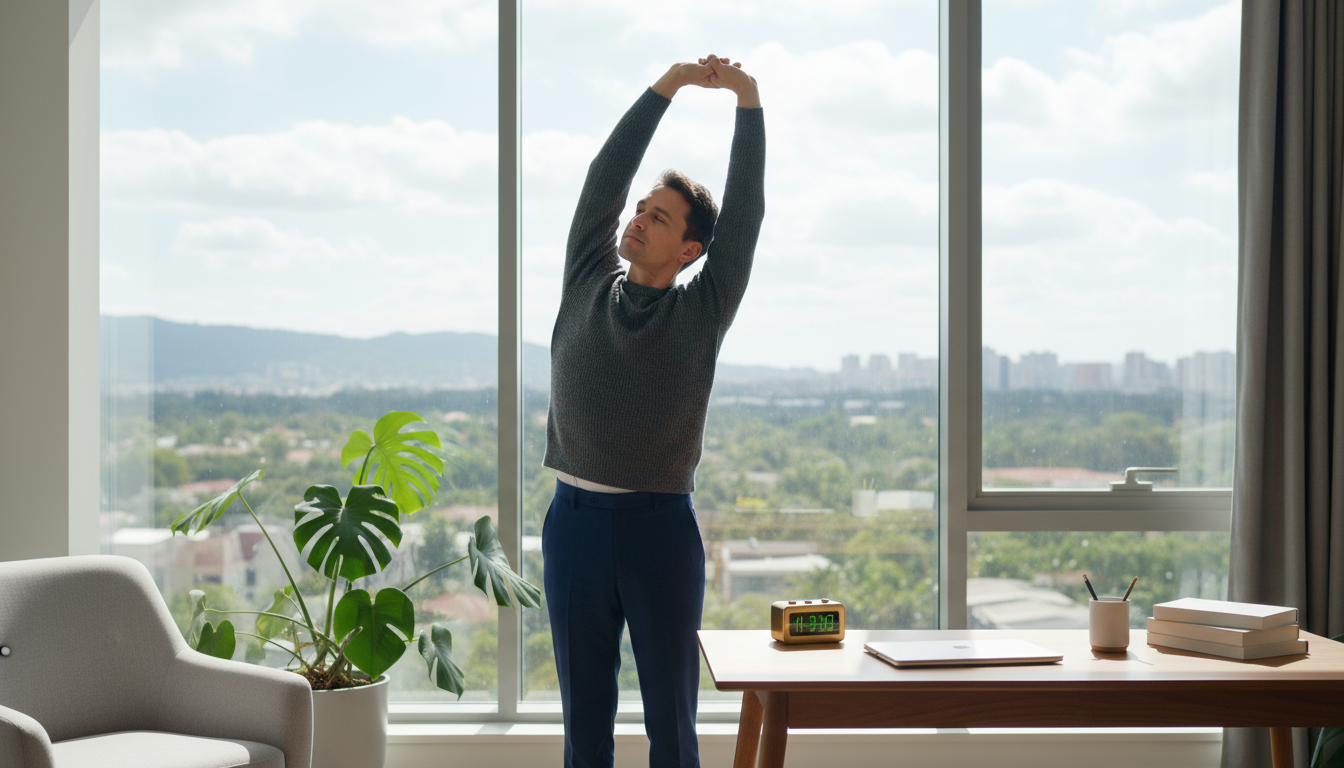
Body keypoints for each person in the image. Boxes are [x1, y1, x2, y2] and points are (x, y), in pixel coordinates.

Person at [540, 54, 765, 768]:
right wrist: (665, 86)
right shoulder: (587, 278)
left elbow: (747, 212)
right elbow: (605, 174)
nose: (637, 218)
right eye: (640, 209)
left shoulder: (702, 310)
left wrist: (748, 103)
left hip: (660, 534)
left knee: (672, 726)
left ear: (691, 248)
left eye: (659, 216)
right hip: (571, 526)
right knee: (585, 730)